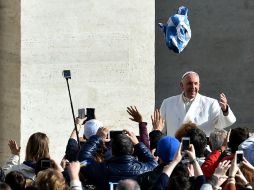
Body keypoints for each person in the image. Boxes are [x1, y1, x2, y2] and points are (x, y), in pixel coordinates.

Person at [78, 127, 157, 190]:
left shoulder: (101, 170)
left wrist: (97, 138)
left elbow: (82, 161)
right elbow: (154, 163)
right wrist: (137, 144)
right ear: (133, 150)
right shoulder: (146, 169)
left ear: (112, 152)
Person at [160, 71, 236, 136]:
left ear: (199, 86)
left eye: (196, 83)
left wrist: (225, 110)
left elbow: (220, 125)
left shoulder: (211, 103)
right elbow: (161, 130)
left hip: (201, 150)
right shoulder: (168, 103)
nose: (193, 86)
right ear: (182, 85)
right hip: (175, 149)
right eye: (189, 83)